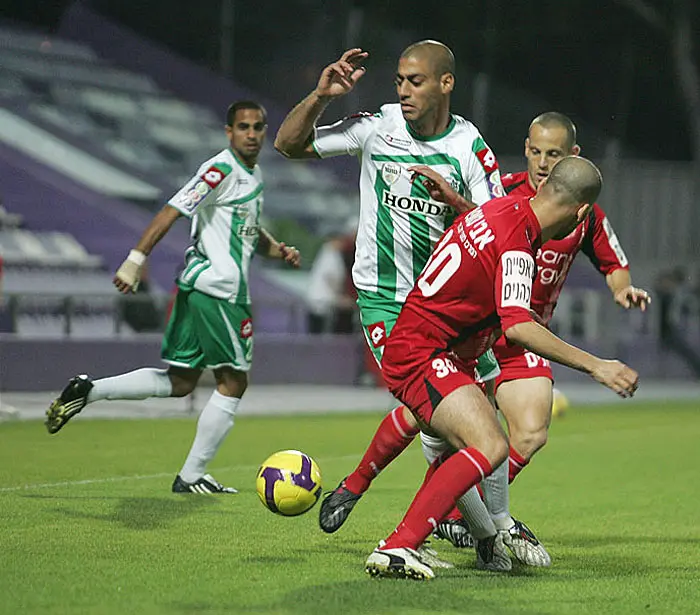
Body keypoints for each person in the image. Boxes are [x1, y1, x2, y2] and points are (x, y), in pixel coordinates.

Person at [274, 41, 505, 546]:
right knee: (441, 416)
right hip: (387, 298)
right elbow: (288, 145)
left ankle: (445, 518)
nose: (403, 91)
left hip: (447, 303)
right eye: (399, 80)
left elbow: (498, 230)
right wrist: (321, 96)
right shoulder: (377, 127)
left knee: (478, 411)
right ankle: (469, 532)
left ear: (446, 83)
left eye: (415, 81)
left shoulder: (469, 148)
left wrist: (456, 202)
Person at [364, 156, 639, 580]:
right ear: (581, 212)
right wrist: (596, 366)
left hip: (432, 347)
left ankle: (472, 535)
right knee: (489, 447)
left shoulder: (501, 207)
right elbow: (519, 326)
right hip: (425, 352)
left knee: (483, 441)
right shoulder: (520, 240)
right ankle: (402, 544)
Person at [45, 101, 301, 494]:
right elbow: (172, 210)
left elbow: (247, 231)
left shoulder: (253, 174)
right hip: (220, 291)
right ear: (228, 132)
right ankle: (192, 476)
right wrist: (135, 259)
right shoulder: (220, 170)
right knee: (233, 382)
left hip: (199, 287)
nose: (252, 134)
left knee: (181, 381)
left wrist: (277, 250)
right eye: (243, 127)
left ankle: (88, 390)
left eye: (258, 127)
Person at [306, 229, 356, 334]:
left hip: (327, 300)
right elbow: (331, 277)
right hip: (322, 301)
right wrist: (341, 298)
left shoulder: (333, 254)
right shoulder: (329, 254)